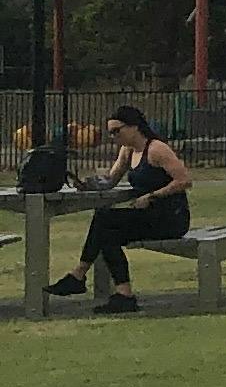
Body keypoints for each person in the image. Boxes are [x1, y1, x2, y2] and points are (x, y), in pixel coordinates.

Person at [45, 103, 189, 317]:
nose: (113, 136)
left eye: (116, 131)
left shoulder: (157, 149)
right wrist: (88, 184)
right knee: (107, 232)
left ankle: (79, 275)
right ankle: (123, 294)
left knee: (105, 219)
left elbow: (184, 180)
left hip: (170, 217)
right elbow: (111, 180)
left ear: (134, 127)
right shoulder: (127, 151)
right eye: (110, 132)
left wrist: (152, 196)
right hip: (146, 216)